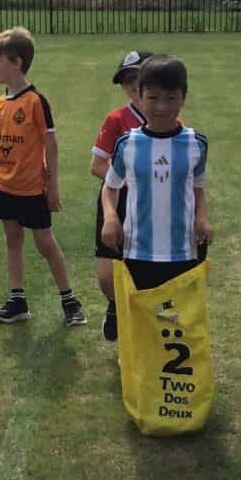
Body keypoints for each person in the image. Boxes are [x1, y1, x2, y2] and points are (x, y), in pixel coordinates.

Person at [0, 26, 85, 326]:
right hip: (4, 183)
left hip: (32, 188)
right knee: (12, 239)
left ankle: (70, 301)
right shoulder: (0, 102)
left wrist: (52, 185)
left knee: (45, 243)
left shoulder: (35, 101)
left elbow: (50, 144)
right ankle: (18, 301)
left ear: (17, 62)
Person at [98, 54, 209, 287]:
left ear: (184, 97)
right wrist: (110, 217)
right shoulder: (127, 144)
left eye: (171, 98)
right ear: (140, 95)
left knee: (181, 310)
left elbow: (198, 187)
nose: (161, 107)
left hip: (183, 251)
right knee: (142, 310)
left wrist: (201, 218)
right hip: (138, 252)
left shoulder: (196, 144)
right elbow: (110, 187)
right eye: (153, 97)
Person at [90, 49, 153, 341]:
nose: (132, 85)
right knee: (107, 277)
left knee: (143, 272)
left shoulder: (168, 120)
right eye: (127, 80)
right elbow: (97, 165)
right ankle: (115, 305)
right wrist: (127, 181)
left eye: (137, 77)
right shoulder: (117, 119)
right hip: (117, 200)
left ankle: (137, 328)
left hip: (149, 205)